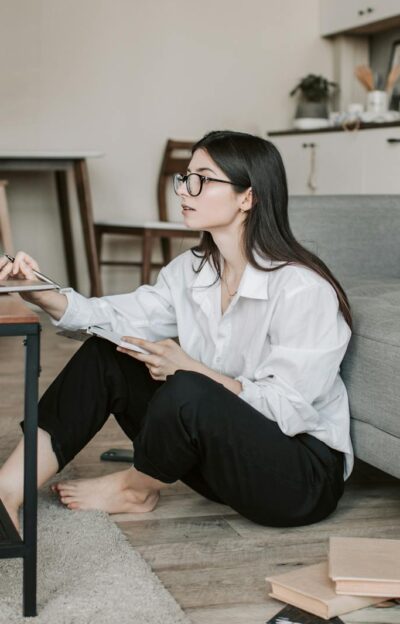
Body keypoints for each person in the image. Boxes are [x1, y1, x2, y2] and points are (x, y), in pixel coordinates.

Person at [0, 130, 353, 533]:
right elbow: (116, 317)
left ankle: (135, 488)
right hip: (225, 464)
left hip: (299, 478)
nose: (185, 190)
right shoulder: (192, 270)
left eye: (202, 179)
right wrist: (43, 295)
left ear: (248, 197)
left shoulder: (303, 290)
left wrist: (190, 370)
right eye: (185, 178)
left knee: (189, 387)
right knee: (108, 352)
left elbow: (288, 409)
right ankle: (7, 491)